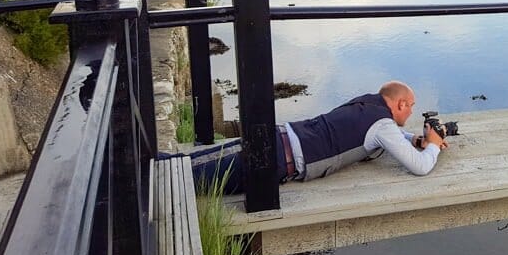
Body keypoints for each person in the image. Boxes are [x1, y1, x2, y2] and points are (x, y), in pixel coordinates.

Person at [188, 81, 448, 194]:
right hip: (278, 160)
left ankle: (154, 163)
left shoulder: (366, 103)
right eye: (411, 105)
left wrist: (415, 139)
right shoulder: (383, 125)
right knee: (190, 180)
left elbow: (382, 135)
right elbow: (420, 167)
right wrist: (434, 146)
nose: (413, 110)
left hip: (279, 136)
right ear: (400, 104)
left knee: (188, 163)